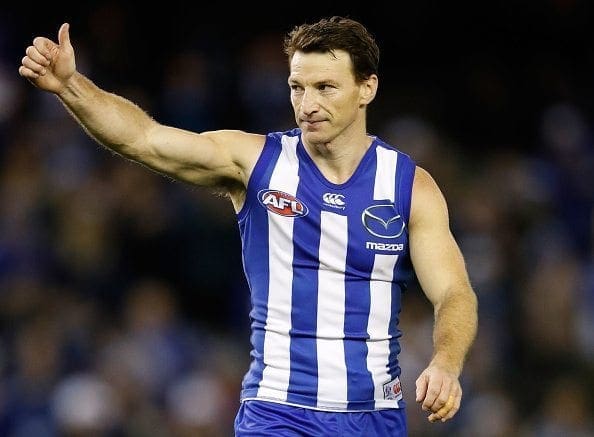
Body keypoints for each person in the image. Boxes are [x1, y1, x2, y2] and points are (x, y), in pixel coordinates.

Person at [19, 16, 478, 436]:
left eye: (325, 87)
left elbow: (454, 292)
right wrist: (71, 85)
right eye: (297, 87)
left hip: (374, 416)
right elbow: (144, 139)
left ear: (367, 88)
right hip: (277, 412)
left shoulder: (409, 187)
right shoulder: (256, 162)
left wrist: (445, 361)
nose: (308, 104)